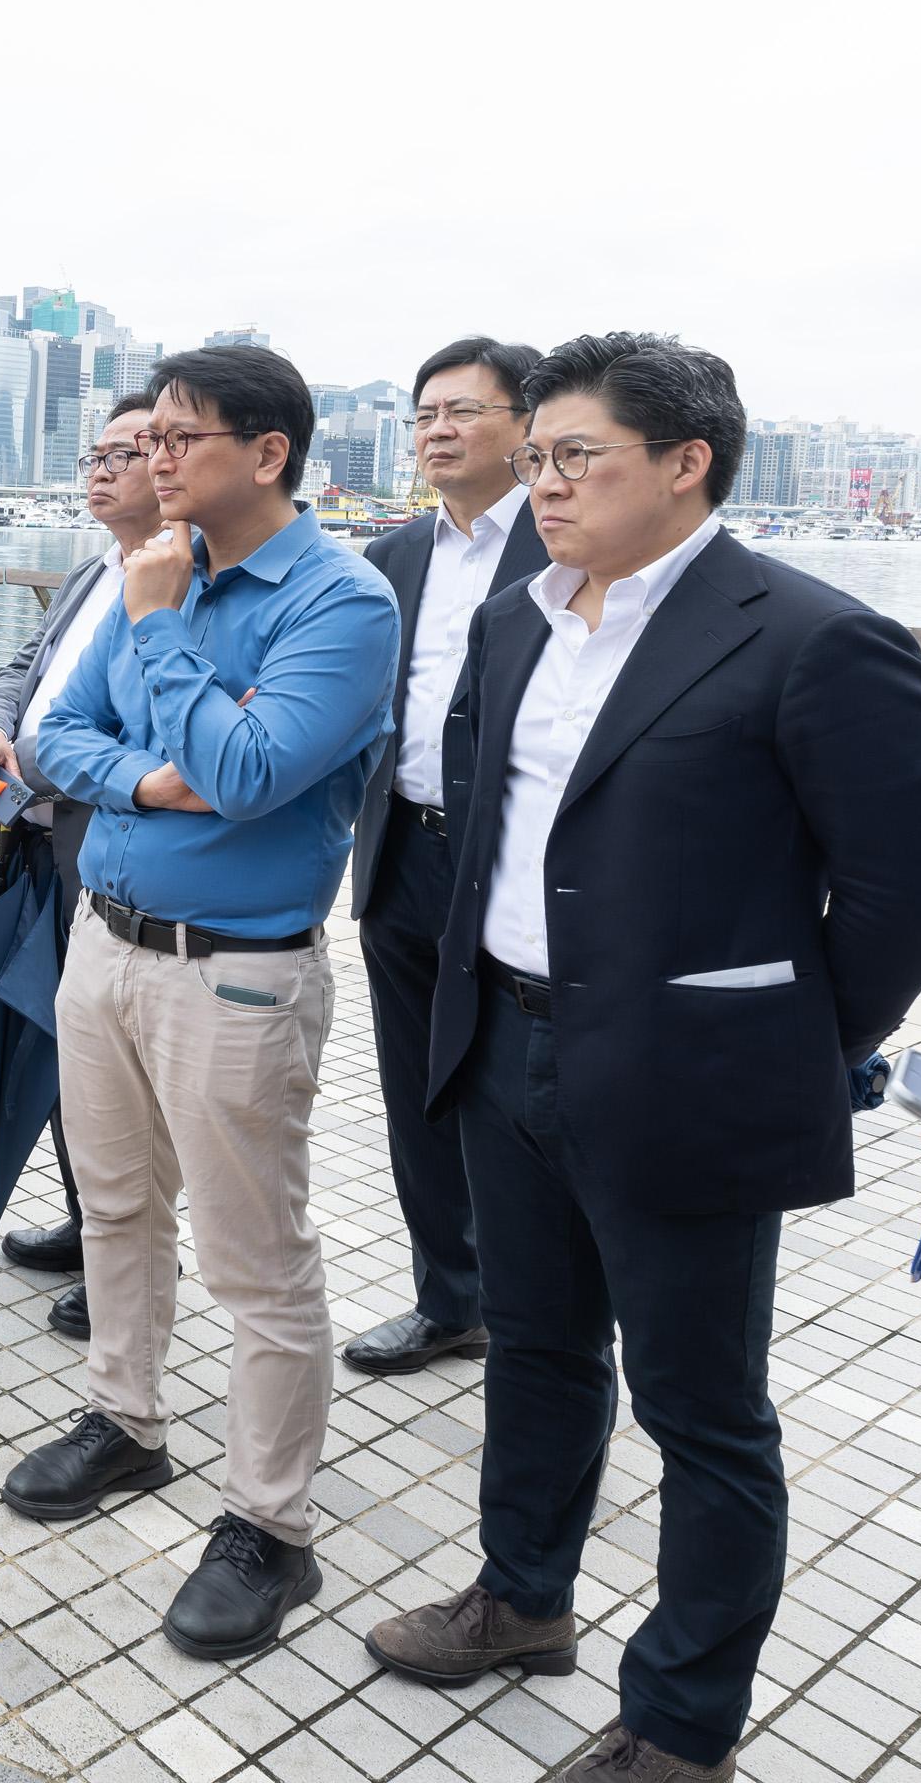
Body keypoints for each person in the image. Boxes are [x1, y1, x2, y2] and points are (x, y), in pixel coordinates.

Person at [364, 334, 921, 1783]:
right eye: (539, 454)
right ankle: (522, 1599)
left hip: (688, 1081)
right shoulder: (519, 620)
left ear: (686, 464)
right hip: (502, 1041)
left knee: (704, 1413)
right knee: (540, 1353)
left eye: (577, 457)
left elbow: (911, 888)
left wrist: (788, 1043)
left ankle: (684, 1727)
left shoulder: (812, 637)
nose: (541, 481)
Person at [3, 344, 398, 1663]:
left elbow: (253, 770)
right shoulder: (150, 572)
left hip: (236, 968)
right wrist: (153, 778)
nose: (150, 459)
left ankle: (272, 1528)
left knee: (255, 1259)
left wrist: (165, 632)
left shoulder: (338, 602)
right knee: (113, 1202)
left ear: (267, 452)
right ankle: (126, 1419)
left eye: (178, 439)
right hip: (104, 943)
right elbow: (55, 744)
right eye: (147, 438)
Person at [342, 338, 551, 1377]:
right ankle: (449, 1296)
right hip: (401, 860)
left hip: (511, 871)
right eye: (423, 414)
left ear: (527, 426)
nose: (436, 431)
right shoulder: (394, 556)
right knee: (416, 1093)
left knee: (514, 1100)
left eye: (463, 411)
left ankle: (544, 1320)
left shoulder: (565, 549)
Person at [0, 395, 163, 1340]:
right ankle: (92, 1229)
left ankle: (126, 1260)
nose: (104, 469)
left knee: (123, 1075)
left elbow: (127, 739)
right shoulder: (94, 573)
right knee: (57, 1047)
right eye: (98, 452)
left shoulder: (181, 584)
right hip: (35, 843)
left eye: (129, 453)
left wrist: (32, 757)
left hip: (110, 858)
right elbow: (19, 671)